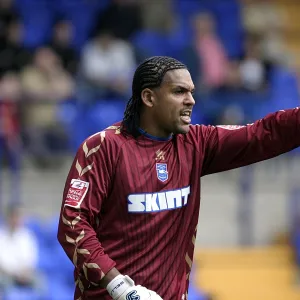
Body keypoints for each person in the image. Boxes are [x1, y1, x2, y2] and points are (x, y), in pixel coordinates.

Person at [57, 56, 300, 300]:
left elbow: (264, 133)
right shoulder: (103, 148)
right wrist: (120, 287)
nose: (191, 100)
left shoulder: (196, 144)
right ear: (149, 97)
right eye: (179, 92)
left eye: (192, 92)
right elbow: (72, 223)